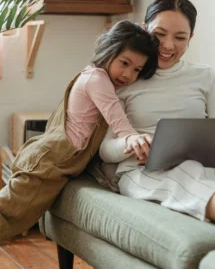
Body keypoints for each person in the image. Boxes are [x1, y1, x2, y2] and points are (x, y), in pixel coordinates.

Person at [99, 0, 215, 249]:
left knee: (203, 174)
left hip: (205, 165)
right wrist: (131, 142)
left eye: (180, 37)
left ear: (190, 38)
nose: (167, 45)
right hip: (144, 171)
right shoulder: (127, 77)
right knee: (187, 175)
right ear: (144, 28)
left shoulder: (204, 76)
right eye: (159, 34)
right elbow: (105, 151)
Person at [0, 20, 159, 243]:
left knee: (15, 217)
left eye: (136, 70)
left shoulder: (94, 76)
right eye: (124, 63)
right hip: (51, 161)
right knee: (8, 212)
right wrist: (133, 138)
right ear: (108, 51)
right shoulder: (97, 80)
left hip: (57, 162)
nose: (128, 74)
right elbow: (117, 120)